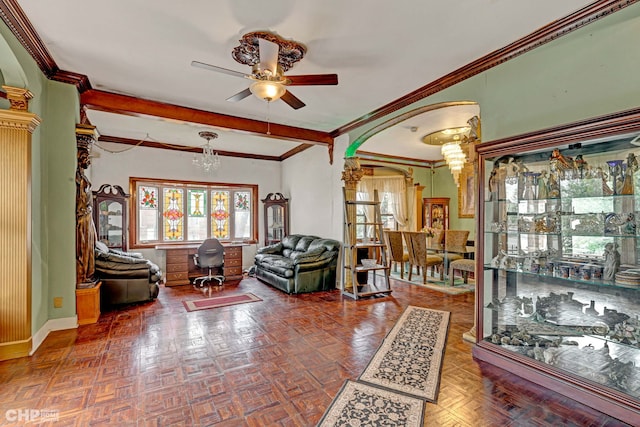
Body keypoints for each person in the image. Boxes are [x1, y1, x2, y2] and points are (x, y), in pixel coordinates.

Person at [76, 144, 97, 287]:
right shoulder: (79, 179)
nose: (88, 161)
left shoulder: (83, 177)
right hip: (83, 216)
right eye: (85, 158)